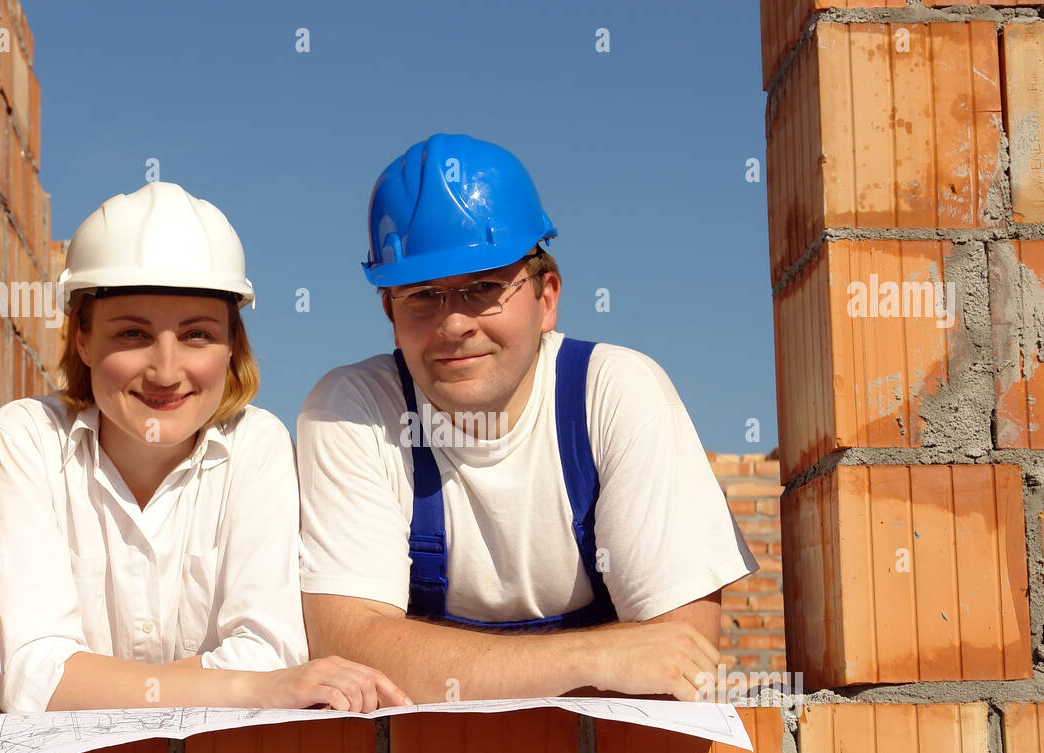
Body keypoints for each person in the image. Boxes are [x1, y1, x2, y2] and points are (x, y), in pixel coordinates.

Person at [296, 134, 760, 704]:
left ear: (547, 298)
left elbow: (679, 666)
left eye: (483, 287)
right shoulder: (352, 412)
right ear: (390, 313)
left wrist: (426, 661)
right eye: (421, 295)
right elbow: (349, 655)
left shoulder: (613, 395)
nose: (454, 325)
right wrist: (597, 656)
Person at [0, 181, 409, 714]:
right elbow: (33, 676)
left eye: (197, 335)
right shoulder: (24, 442)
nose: (167, 371)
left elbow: (269, 654)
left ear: (230, 346)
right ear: (82, 338)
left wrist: (75, 683)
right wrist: (248, 689)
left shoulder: (257, 448)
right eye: (133, 334)